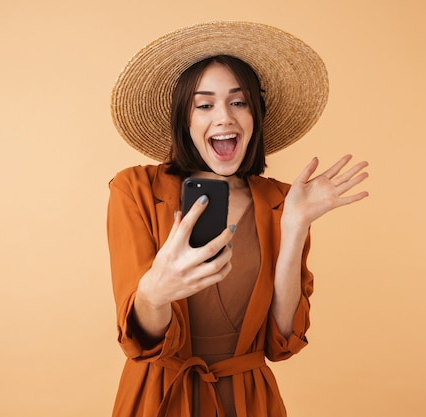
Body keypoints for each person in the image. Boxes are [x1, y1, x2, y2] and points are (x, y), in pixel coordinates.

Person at [107, 21, 369, 417]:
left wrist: (295, 225)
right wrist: (154, 293)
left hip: (248, 401)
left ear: (255, 115)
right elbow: (138, 339)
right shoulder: (135, 189)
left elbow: (281, 340)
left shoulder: (282, 201)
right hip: (158, 398)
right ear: (185, 120)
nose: (224, 117)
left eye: (239, 101)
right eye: (205, 104)